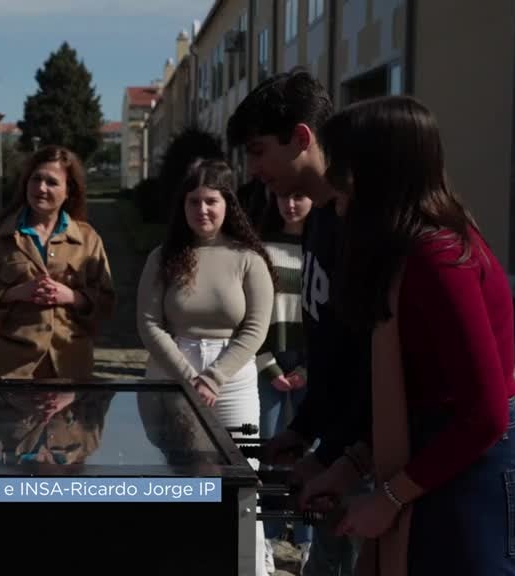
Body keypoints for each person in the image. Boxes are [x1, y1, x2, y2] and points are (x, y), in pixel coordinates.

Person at [299, 96, 515, 575]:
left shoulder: (436, 258)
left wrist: (388, 499)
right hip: (444, 468)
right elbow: (417, 396)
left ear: (379, 173)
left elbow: (484, 416)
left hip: (475, 483)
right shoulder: (409, 251)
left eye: (344, 173)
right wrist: (347, 467)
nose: (334, 190)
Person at [227, 69, 368, 576]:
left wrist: (343, 457)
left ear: (302, 138)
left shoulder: (364, 225)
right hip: (337, 453)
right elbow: (334, 350)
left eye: (259, 149)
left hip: (368, 466)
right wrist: (305, 431)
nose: (253, 167)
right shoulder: (322, 225)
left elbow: (371, 365)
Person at [136, 158, 274, 576]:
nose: (202, 210)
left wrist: (214, 377)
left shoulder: (248, 258)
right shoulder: (164, 257)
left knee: (242, 477)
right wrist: (187, 375)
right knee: (179, 475)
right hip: (171, 375)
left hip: (231, 378)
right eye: (193, 201)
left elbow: (256, 326)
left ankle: (250, 563)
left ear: (227, 203)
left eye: (211, 200)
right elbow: (148, 322)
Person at [0, 145, 115, 379]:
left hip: (71, 365)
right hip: (14, 368)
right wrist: (13, 293)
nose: (41, 188)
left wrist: (73, 297)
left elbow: (107, 302)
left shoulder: (88, 239)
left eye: (52, 182)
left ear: (69, 191)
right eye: (36, 179)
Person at [256, 190, 314, 572]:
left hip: (313, 362)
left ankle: (310, 535)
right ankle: (271, 533)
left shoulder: (326, 247)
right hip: (269, 358)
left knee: (313, 452)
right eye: (283, 197)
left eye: (299, 197)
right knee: (271, 448)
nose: (290, 204)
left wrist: (311, 367)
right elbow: (249, 308)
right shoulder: (259, 247)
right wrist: (267, 365)